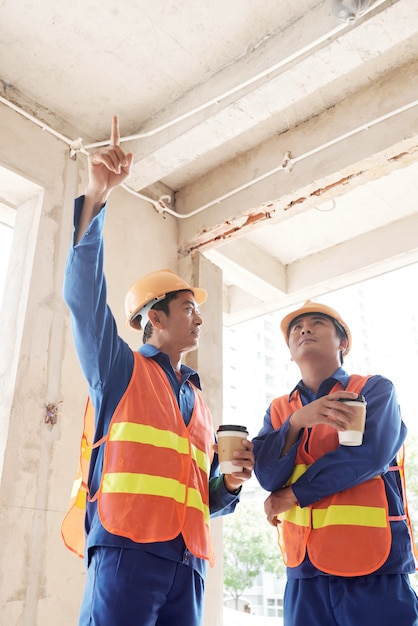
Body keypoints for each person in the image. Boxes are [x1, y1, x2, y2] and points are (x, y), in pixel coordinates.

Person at [61, 116, 254, 626]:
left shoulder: (200, 404)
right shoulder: (119, 369)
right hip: (126, 550)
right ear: (154, 318)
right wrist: (97, 194)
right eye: (188, 307)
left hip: (187, 566)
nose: (199, 317)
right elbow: (83, 301)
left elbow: (198, 496)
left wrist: (229, 487)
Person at [252, 299, 418, 626]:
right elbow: (268, 477)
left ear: (342, 343)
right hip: (305, 572)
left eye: (317, 323)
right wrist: (297, 422)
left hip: (371, 566)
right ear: (289, 351)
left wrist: (294, 495)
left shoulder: (373, 390)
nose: (304, 329)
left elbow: (369, 456)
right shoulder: (279, 411)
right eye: (296, 328)